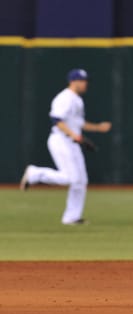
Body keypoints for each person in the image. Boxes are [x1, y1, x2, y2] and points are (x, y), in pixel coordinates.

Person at [20, 69, 111, 225]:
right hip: (61, 140)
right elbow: (56, 120)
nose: (85, 83)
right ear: (73, 81)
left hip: (72, 142)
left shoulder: (77, 100)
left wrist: (98, 127)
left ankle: (72, 217)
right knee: (69, 178)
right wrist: (73, 135)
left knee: (81, 180)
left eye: (86, 80)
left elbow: (79, 123)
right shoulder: (65, 98)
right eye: (83, 80)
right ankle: (34, 173)